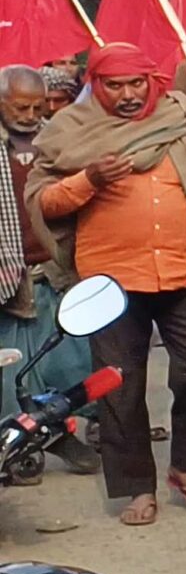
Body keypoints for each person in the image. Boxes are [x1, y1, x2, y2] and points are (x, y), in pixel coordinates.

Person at [29, 43, 186, 524]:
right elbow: (45, 204)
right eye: (114, 85)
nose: (127, 94)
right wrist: (89, 179)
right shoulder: (70, 131)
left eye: (136, 83)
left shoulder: (181, 117)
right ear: (94, 86)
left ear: (153, 82)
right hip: (110, 283)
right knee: (119, 386)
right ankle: (135, 487)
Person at [0, 66, 90, 459]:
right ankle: (18, 448)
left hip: (54, 269)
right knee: (9, 371)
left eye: (38, 106)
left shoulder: (57, 139)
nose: (29, 114)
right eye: (20, 107)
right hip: (7, 274)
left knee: (71, 359)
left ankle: (62, 430)